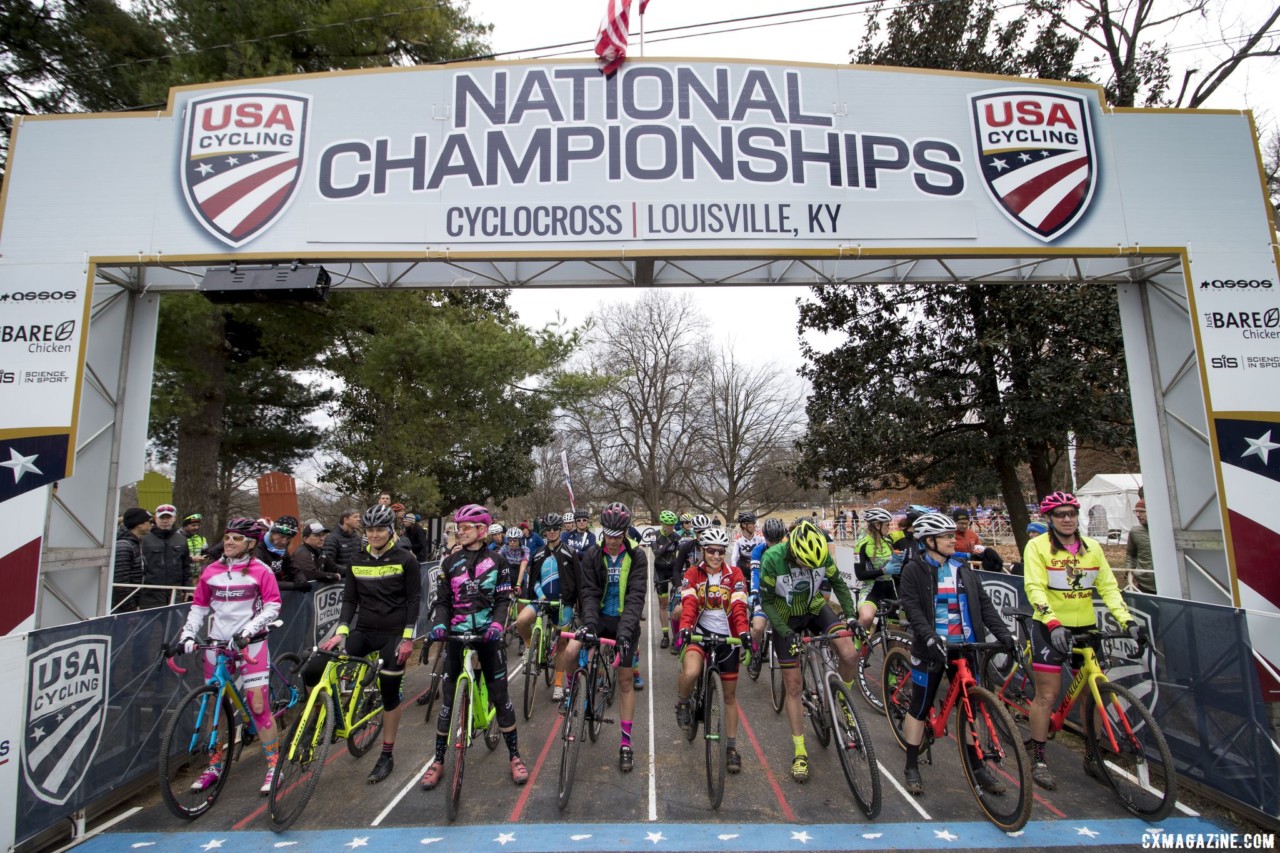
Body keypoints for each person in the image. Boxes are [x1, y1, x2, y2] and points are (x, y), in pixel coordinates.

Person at [1023, 491, 1144, 790]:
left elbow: (1109, 588)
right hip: (1050, 628)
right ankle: (1038, 758)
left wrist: (1127, 620)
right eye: (1060, 514)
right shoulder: (1037, 547)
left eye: (1072, 513)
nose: (1067, 519)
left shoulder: (1092, 548)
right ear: (1049, 519)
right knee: (1047, 696)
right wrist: (1052, 623)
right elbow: (1034, 589)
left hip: (1086, 627)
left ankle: (1092, 757)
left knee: (1095, 696)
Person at [896, 512, 1015, 796]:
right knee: (920, 707)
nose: (953, 539)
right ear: (929, 541)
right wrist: (929, 636)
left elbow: (984, 606)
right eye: (947, 536)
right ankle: (911, 764)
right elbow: (912, 608)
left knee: (971, 708)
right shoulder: (914, 569)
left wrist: (1004, 635)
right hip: (932, 647)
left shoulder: (962, 568)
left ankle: (977, 766)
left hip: (964, 646)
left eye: (953, 535)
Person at [315, 504, 421, 784]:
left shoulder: (405, 559)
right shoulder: (357, 559)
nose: (374, 535)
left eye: (379, 530)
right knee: (314, 670)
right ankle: (326, 720)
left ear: (390, 531)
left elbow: (413, 601)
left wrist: (408, 638)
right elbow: (349, 600)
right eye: (370, 530)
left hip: (394, 632)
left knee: (388, 689)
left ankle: (386, 753)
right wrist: (341, 632)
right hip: (363, 629)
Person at [421, 504, 526, 789]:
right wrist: (440, 624)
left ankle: (515, 756)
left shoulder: (498, 561)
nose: (459, 531)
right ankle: (439, 760)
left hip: (488, 637)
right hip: (456, 637)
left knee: (500, 696)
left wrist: (497, 625)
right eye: (457, 527)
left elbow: (504, 600)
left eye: (465, 527)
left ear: (481, 530)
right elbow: (442, 601)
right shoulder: (449, 563)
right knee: (447, 700)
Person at [177, 517, 283, 794]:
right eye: (227, 537)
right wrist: (187, 635)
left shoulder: (261, 570)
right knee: (216, 706)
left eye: (236, 538)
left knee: (258, 706)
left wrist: (248, 631)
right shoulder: (211, 570)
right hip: (218, 644)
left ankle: (274, 765)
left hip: (252, 644)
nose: (229, 542)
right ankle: (214, 765)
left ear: (249, 543)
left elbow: (272, 607)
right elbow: (199, 607)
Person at [758, 519, 860, 784]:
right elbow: (766, 602)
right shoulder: (772, 558)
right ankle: (800, 750)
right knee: (793, 685)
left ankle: (841, 698)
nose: (808, 568)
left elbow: (838, 584)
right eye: (804, 564)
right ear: (791, 550)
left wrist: (850, 616)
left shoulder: (821, 554)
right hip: (784, 617)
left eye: (813, 566)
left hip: (814, 608)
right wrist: (786, 632)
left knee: (849, 653)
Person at [576, 502, 648, 773]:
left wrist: (625, 633)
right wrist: (590, 625)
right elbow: (590, 593)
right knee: (573, 652)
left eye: (619, 535)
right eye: (609, 534)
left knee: (626, 681)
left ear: (626, 533)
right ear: (602, 531)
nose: (614, 540)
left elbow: (636, 597)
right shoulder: (594, 555)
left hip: (624, 622)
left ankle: (626, 744)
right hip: (599, 618)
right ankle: (576, 693)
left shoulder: (637, 556)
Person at [674, 527, 750, 773]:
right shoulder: (693, 573)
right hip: (700, 632)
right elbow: (689, 604)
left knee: (729, 697)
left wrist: (744, 633)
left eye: (721, 551)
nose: (716, 556)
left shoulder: (735, 573)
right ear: (703, 551)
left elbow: (738, 606)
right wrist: (685, 627)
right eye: (711, 551)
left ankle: (731, 748)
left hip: (727, 638)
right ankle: (683, 702)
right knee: (691, 672)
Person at [518, 512, 577, 700]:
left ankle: (559, 685)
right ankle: (529, 647)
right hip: (540, 600)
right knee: (521, 621)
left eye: (555, 529)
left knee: (561, 644)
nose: (551, 532)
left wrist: (576, 604)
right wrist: (540, 594)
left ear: (560, 530)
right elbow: (533, 578)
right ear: (544, 531)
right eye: (548, 529)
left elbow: (577, 580)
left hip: (562, 603)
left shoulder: (569, 552)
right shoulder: (538, 553)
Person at [746, 517, 787, 678]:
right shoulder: (758, 550)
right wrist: (755, 592)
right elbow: (755, 573)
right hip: (764, 593)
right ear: (765, 537)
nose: (774, 544)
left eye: (778, 540)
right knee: (757, 627)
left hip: (782, 593)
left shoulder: (787, 549)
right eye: (771, 540)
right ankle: (756, 654)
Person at [853, 507, 899, 631]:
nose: (889, 527)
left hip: (889, 588)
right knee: (866, 618)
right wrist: (883, 571)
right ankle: (856, 649)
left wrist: (897, 566)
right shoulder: (862, 544)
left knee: (896, 626)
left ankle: (878, 640)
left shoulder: (888, 541)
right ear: (877, 525)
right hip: (871, 589)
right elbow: (860, 574)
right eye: (887, 525)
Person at [140, 504, 193, 609]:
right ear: (155, 518)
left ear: (174, 518)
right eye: (162, 517)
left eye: (168, 517)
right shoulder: (144, 539)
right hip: (150, 594)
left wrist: (189, 589)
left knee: (175, 624)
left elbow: (186, 567)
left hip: (175, 593)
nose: (165, 521)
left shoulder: (182, 539)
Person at [651, 510, 683, 649]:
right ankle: (665, 635)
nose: (670, 527)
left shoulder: (677, 535)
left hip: (674, 571)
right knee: (663, 604)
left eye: (672, 525)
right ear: (662, 524)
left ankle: (678, 634)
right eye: (668, 525)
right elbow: (657, 552)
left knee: (679, 603)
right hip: (660, 571)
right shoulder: (654, 535)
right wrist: (670, 542)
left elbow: (682, 554)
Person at [256, 516, 310, 592]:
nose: (284, 542)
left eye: (288, 538)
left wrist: (302, 581)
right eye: (282, 536)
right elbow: (265, 581)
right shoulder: (258, 549)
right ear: (273, 533)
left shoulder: (282, 549)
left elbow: (293, 568)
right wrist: (294, 586)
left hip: (280, 591)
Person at [113, 507, 152, 612]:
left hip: (131, 604)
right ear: (139, 524)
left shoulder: (136, 543)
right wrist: (130, 609)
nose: (151, 524)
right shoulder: (124, 545)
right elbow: (121, 582)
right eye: (149, 521)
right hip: (121, 609)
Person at [1125, 499, 1155, 593]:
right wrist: (1129, 573)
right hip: (1143, 584)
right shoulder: (1135, 532)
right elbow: (1130, 554)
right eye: (1136, 511)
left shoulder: (1166, 530)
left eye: (1142, 511)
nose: (1138, 515)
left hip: (1166, 582)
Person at [323, 509, 362, 577]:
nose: (359, 519)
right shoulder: (332, 538)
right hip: (340, 582)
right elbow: (329, 564)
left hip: (357, 579)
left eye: (359, 517)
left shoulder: (356, 537)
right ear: (346, 520)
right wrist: (351, 571)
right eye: (355, 517)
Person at [501, 527, 531, 595]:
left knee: (521, 599)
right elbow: (498, 560)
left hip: (520, 574)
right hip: (509, 574)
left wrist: (518, 585)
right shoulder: (504, 548)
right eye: (510, 540)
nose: (512, 542)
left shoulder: (525, 550)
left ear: (519, 541)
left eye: (515, 540)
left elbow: (522, 568)